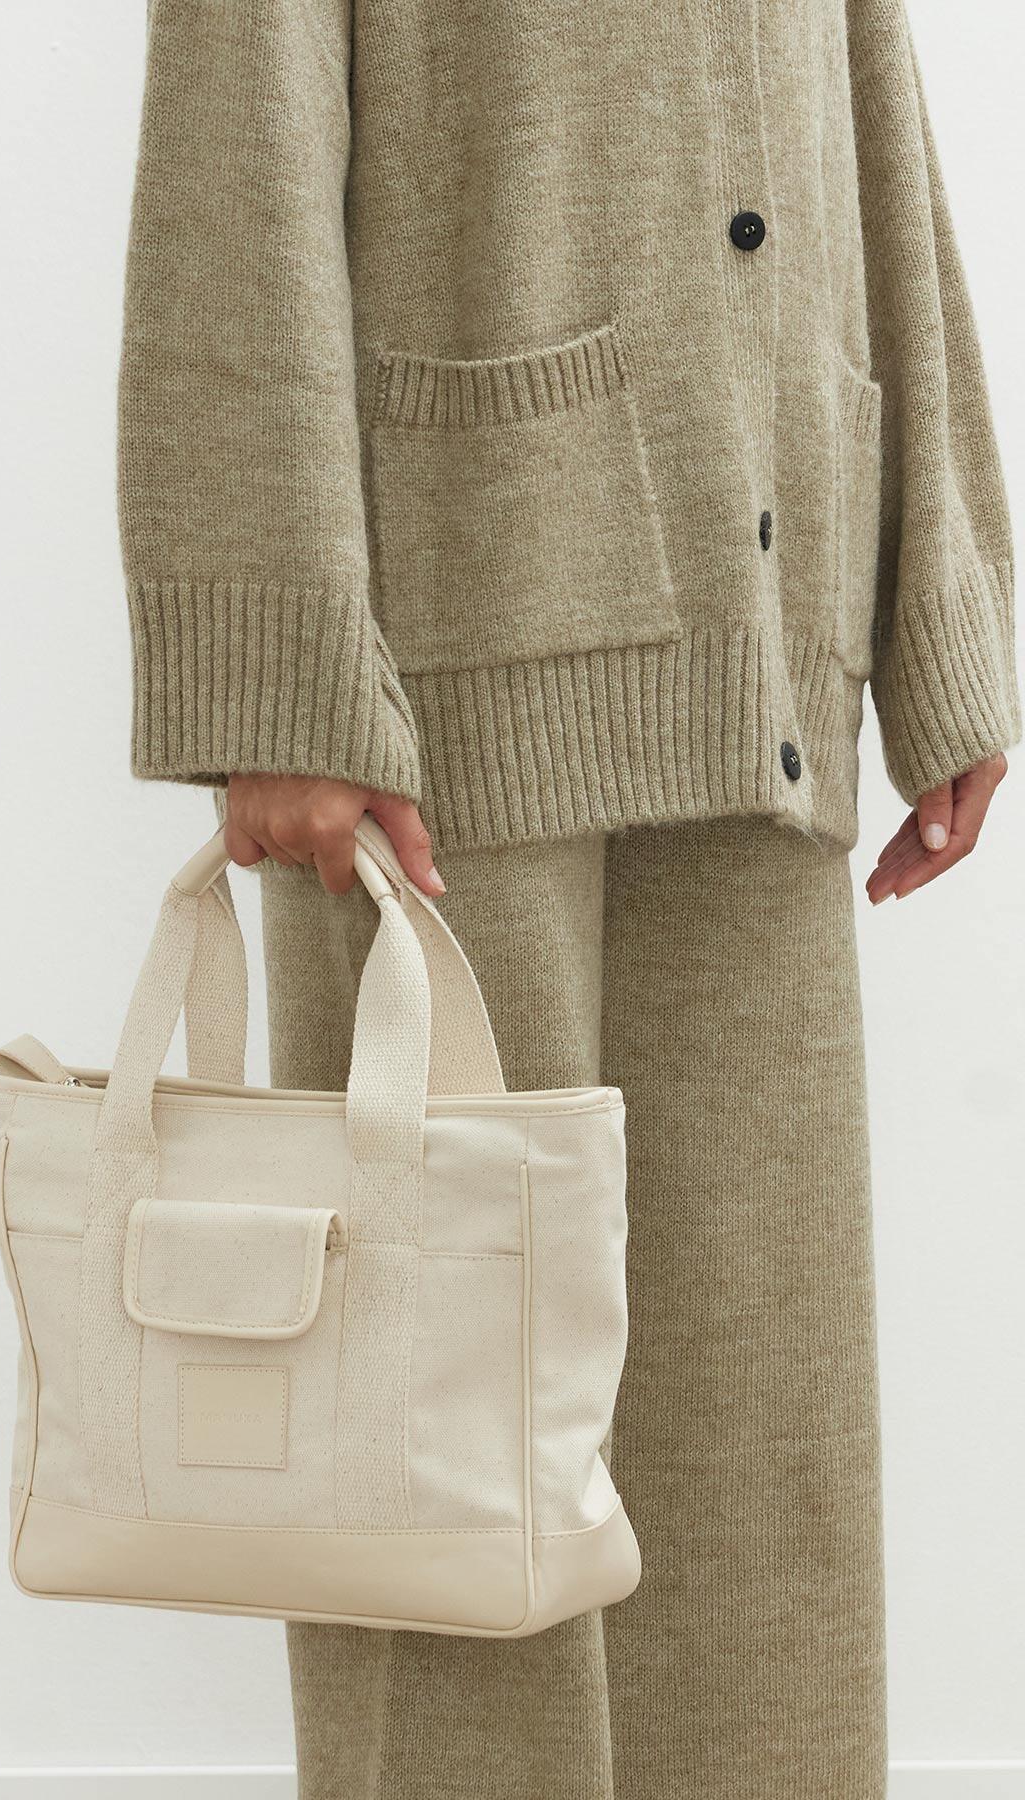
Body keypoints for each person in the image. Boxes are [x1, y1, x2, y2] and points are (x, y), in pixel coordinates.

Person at [115, 2, 1018, 1795]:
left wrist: (945, 613)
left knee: (756, 1421)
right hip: (436, 689)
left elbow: (871, 91)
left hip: (770, 625)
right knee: (441, 1442)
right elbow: (232, 168)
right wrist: (276, 681)